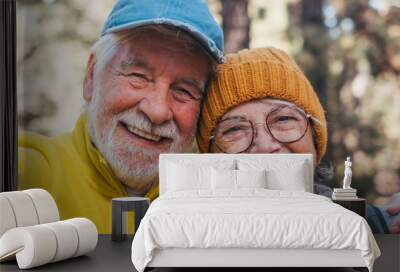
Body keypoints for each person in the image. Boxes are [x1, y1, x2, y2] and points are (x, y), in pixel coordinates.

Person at [18, 0, 224, 233]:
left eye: (184, 91)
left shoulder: (212, 202)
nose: (156, 111)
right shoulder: (31, 174)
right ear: (91, 77)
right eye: (138, 76)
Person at [196, 47, 400, 234]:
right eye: (235, 129)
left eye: (284, 119)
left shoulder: (376, 228)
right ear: (210, 154)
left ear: (315, 134)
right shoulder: (189, 239)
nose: (266, 146)